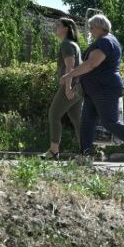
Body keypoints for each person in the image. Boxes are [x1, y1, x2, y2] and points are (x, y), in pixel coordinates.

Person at [61, 14, 124, 166]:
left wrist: (70, 75)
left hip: (104, 88)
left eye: (92, 27)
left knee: (110, 122)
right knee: (87, 122)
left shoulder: (106, 41)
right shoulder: (105, 41)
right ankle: (85, 155)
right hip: (94, 90)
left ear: (102, 27)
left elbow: (91, 64)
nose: (90, 30)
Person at [41, 18, 83, 159]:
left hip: (71, 85)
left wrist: (68, 87)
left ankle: (54, 151)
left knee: (54, 114)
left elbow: (70, 67)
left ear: (67, 28)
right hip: (79, 87)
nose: (55, 27)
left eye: (58, 25)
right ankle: (87, 151)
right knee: (78, 121)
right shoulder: (74, 44)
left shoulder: (66, 44)